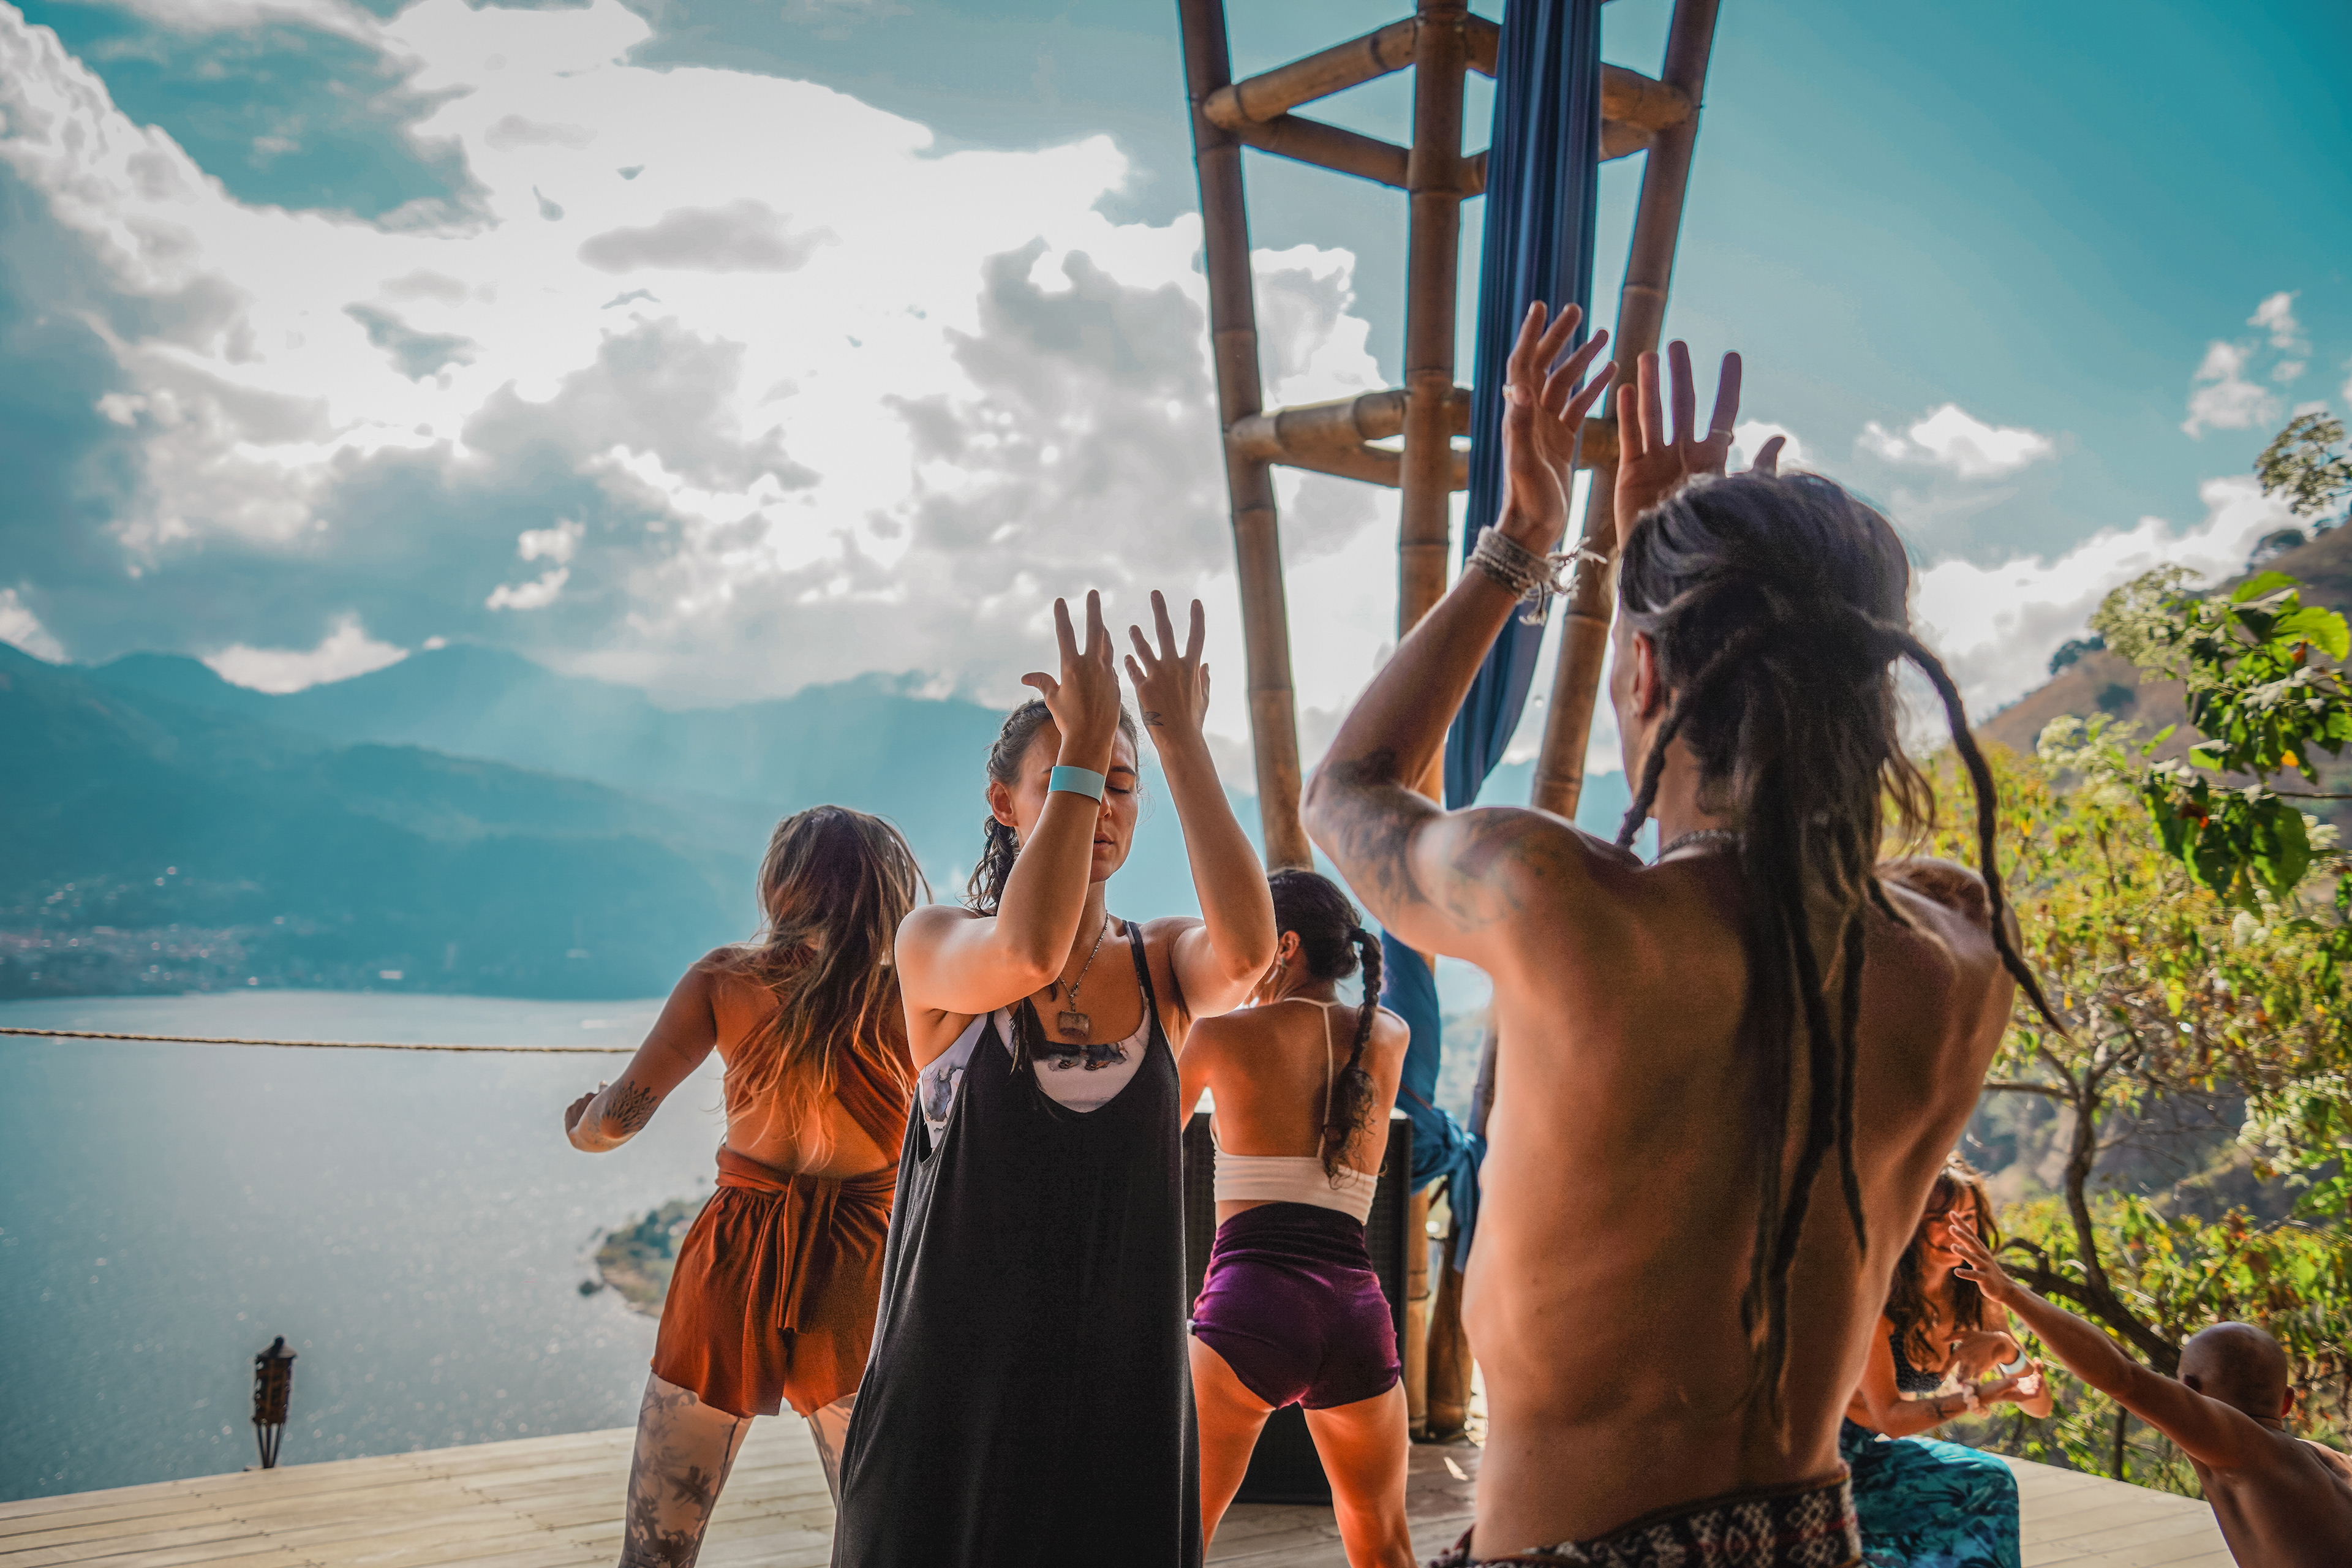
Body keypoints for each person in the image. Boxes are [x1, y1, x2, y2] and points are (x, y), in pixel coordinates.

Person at [1301, 301, 2061, 1566]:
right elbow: (1786, 898)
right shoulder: (1953, 960)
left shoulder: (1555, 900)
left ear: (1646, 675)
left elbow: (1350, 789)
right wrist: (1670, 552)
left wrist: (1528, 538)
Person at [831, 589, 1277, 1567]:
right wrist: (1089, 740)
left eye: (1121, 785)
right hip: (955, 1409)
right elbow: (1029, 949)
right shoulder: (939, 944)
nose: (1104, 802)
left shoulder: (1160, 962)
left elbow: (1248, 954)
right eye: (1075, 777)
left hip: (1121, 1405)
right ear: (1006, 802)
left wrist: (1178, 743)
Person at [562, 805, 925, 1567]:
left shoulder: (726, 978)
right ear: (889, 889)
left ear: (782, 882)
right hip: (865, 1265)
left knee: (658, 1545)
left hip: (734, 1254)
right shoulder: (921, 994)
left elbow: (615, 1123)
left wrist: (581, 1120)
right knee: (884, 1542)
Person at [1180, 868, 1415, 1566]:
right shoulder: (1390, 1036)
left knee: (1177, 1533)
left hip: (1250, 1304)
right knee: (1384, 1541)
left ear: (1282, 945)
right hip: (1357, 1313)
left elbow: (1140, 1156)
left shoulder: (1219, 1035)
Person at [1953, 1227, 2352, 1567]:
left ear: (2189, 1391)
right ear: (2286, 1402)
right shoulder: (2321, 1460)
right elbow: (2130, 1375)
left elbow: (2124, 1378)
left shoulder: (2243, 1453)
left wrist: (2009, 1292)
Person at [1841, 1157, 2050, 1568]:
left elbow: (2039, 1406)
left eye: (1968, 1217)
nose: (1956, 1231)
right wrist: (1987, 1394)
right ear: (1908, 1219)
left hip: (1864, 1455)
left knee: (1988, 1479)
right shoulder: (1874, 1297)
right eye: (1938, 1218)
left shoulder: (1974, 1293)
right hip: (1811, 1463)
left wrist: (2008, 1352)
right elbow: (1891, 1418)